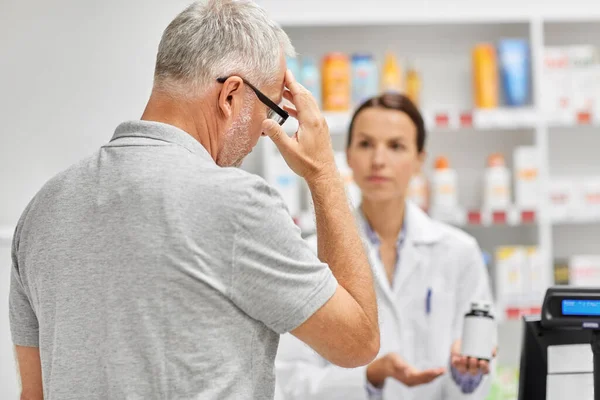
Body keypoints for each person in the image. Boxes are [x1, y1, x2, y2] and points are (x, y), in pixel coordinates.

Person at [8, 1, 380, 399]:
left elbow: (35, 394)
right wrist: (323, 172)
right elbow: (357, 341)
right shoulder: (236, 204)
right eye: (271, 110)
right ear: (230, 95)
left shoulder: (43, 210)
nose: (263, 133)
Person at [275, 93, 496, 400]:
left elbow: (479, 364)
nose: (378, 160)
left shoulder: (459, 252)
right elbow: (292, 379)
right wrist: (370, 376)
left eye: (396, 146)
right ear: (348, 156)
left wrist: (465, 373)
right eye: (365, 144)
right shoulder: (309, 255)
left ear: (419, 160)